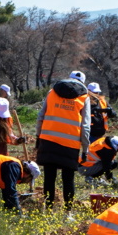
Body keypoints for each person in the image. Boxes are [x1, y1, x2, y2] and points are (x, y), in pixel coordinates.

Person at [35, 75, 90, 209]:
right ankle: (68, 211)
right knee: (68, 178)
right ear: (82, 83)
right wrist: (85, 149)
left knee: (49, 177)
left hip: (48, 140)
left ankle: (48, 209)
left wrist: (38, 137)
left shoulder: (52, 92)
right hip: (70, 144)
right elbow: (85, 126)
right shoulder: (84, 97)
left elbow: (41, 116)